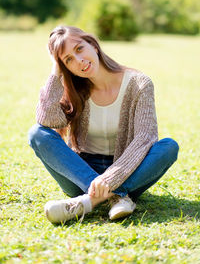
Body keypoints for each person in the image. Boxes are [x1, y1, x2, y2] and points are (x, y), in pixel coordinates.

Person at [28, 25, 179, 224]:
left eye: (79, 49)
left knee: (168, 147)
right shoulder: (75, 88)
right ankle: (117, 197)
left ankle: (89, 201)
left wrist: (109, 178)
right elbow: (47, 119)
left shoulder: (139, 84)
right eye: (68, 60)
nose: (79, 61)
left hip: (128, 169)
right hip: (80, 171)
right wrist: (56, 71)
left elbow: (145, 137)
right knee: (37, 133)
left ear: (93, 45)